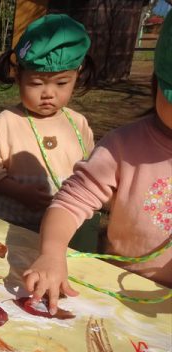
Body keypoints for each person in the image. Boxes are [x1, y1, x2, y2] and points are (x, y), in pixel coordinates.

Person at [24, 12, 172, 313]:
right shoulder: (123, 147)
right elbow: (70, 202)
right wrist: (52, 252)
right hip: (116, 298)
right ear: (156, 83)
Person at [0, 14, 95, 234]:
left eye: (61, 83)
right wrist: (19, 192)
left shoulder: (78, 123)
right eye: (37, 83)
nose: (48, 93)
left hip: (61, 231)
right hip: (7, 226)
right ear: (18, 77)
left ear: (76, 76)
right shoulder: (7, 122)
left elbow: (91, 169)